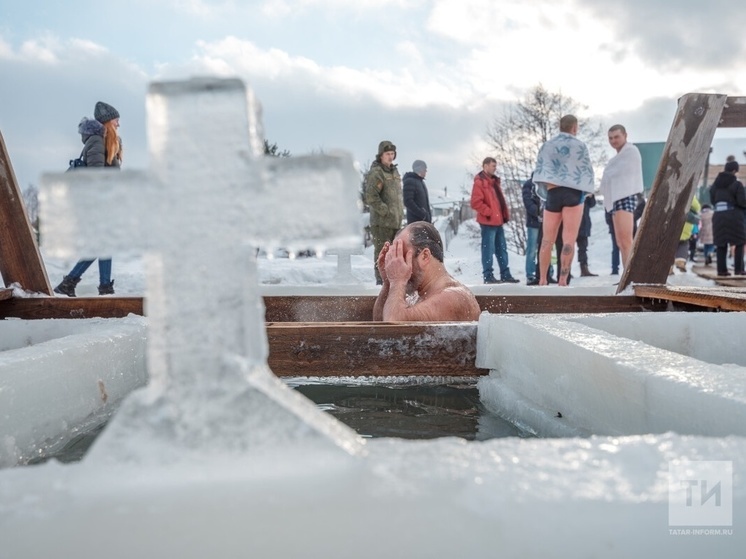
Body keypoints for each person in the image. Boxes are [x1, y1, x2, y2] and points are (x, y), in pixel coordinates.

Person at [54, 101, 123, 297]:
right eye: (116, 120)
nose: (118, 124)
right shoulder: (97, 141)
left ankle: (74, 284)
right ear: (108, 121)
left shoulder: (108, 142)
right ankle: (97, 287)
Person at [372, 222, 480, 321]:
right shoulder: (423, 293)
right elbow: (379, 325)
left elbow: (392, 326)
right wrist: (388, 282)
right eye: (395, 258)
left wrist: (396, 281)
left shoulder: (452, 296)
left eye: (401, 257)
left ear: (425, 256)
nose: (396, 265)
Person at [533, 115, 595, 286]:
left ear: (560, 126)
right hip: (573, 194)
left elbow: (540, 170)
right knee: (569, 240)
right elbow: (586, 171)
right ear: (574, 127)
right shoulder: (579, 145)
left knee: (547, 240)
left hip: (553, 192)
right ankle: (563, 280)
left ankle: (543, 279)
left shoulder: (548, 145)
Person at [599, 124, 644, 272]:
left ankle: (631, 276)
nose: (613, 141)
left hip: (626, 196)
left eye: (617, 137)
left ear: (625, 135)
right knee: (620, 242)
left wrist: (608, 172)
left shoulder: (631, 151)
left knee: (626, 241)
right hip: (616, 199)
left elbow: (612, 173)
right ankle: (626, 276)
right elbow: (609, 175)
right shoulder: (618, 157)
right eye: (610, 138)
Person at [470, 157, 519, 284]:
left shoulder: (494, 182)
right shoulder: (480, 182)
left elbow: (499, 201)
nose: (494, 168)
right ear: (485, 166)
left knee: (501, 248)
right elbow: (476, 202)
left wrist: (501, 215)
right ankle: (488, 276)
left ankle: (505, 274)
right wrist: (489, 213)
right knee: (488, 249)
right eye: (492, 166)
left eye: (495, 166)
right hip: (488, 222)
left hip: (498, 222)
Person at [365, 140, 404, 285]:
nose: (390, 156)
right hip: (382, 222)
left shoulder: (394, 171)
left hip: (395, 221)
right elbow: (370, 196)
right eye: (387, 154)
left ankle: (391, 282)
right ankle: (380, 281)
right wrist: (385, 210)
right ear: (381, 155)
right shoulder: (377, 172)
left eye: (392, 154)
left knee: (394, 255)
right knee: (382, 253)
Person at [709, 160, 746, 276]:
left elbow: (712, 200)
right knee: (739, 242)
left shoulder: (715, 186)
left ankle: (722, 270)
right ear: (734, 170)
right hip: (734, 216)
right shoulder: (737, 184)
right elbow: (742, 201)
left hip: (718, 216)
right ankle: (738, 269)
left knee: (721, 244)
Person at [522, 173, 541, 284]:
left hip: (546, 221)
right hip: (533, 222)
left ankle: (547, 273)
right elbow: (527, 202)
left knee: (546, 248)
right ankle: (530, 274)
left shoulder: (545, 183)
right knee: (532, 250)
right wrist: (539, 212)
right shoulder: (529, 184)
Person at [673, 198, 701, 273]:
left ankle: (668, 267)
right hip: (687, 223)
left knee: (670, 247)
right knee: (684, 243)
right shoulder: (691, 195)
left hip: (674, 222)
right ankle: (681, 261)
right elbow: (697, 207)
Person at [402, 160, 432, 224]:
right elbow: (408, 202)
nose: (426, 171)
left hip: (423, 222)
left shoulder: (421, 182)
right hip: (415, 223)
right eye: (425, 169)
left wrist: (428, 217)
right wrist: (422, 214)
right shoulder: (410, 181)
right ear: (420, 169)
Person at [577, 194, 598, 276]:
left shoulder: (586, 189)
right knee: (568, 246)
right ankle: (567, 269)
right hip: (573, 221)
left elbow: (592, 204)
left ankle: (584, 268)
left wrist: (591, 196)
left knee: (583, 248)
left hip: (584, 222)